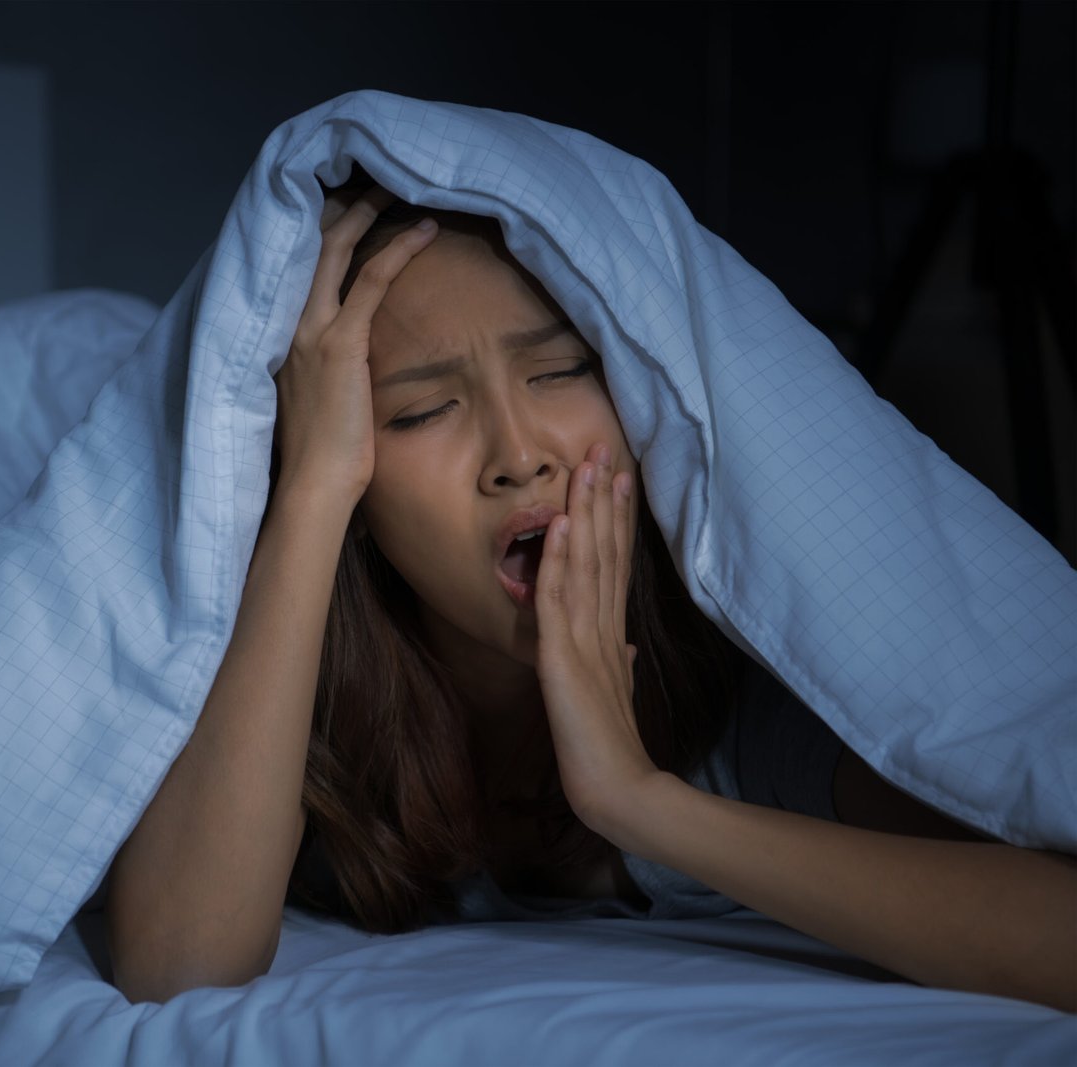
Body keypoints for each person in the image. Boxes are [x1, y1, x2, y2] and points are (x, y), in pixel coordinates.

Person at [105, 171, 1077, 1011]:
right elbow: (180, 963)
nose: (520, 455)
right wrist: (313, 487)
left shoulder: (763, 698)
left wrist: (641, 801)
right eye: (420, 410)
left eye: (561, 370)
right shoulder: (303, 702)